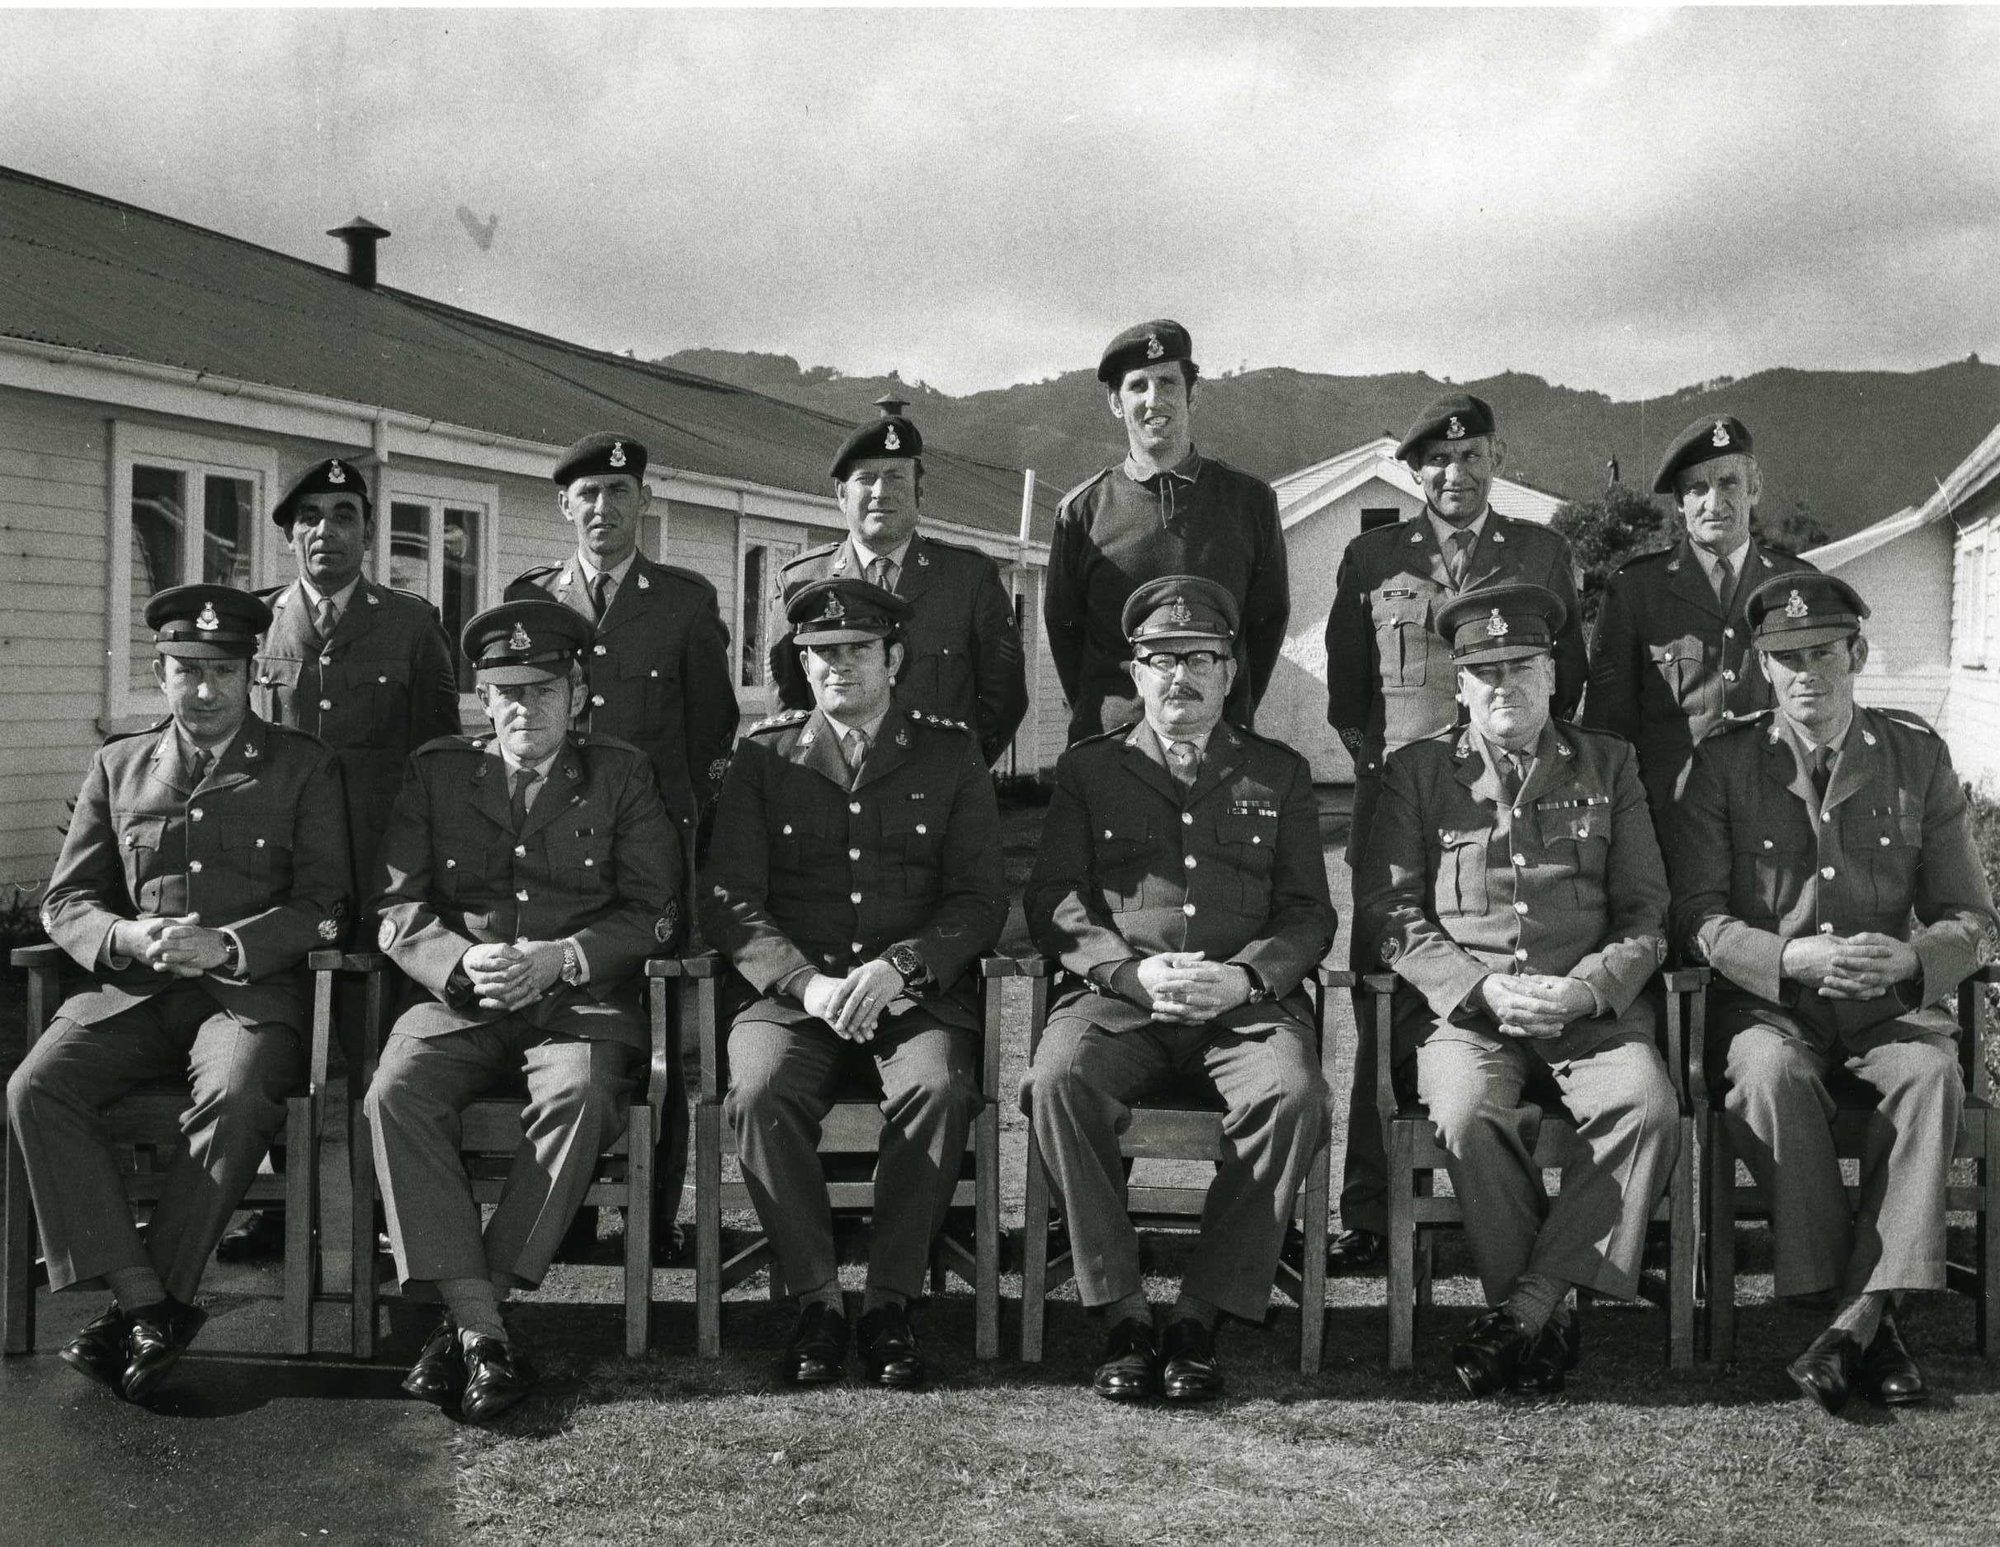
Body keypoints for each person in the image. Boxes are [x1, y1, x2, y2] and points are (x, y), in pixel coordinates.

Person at [7, 585, 350, 1402]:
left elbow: (327, 903)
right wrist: (125, 937)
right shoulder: (119, 765)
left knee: (233, 1095)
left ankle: (137, 1310)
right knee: (35, 1087)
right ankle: (148, 1303)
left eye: (222, 670)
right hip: (133, 994)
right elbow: (67, 899)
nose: (204, 689)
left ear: (251, 673)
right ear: (159, 673)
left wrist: (227, 943)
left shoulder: (303, 765)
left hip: (246, 996)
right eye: (186, 670)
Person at [1667, 574, 1999, 1413]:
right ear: (1762, 667)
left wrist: (1909, 957)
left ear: (1858, 653)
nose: (1806, 673)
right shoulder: (1724, 761)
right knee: (1768, 1074)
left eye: (1823, 652)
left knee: (1931, 1074)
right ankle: (1869, 1319)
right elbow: (1696, 916)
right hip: (1769, 1007)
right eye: (1787, 658)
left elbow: (1972, 918)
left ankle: (1851, 1320)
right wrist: (1789, 957)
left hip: (1885, 1006)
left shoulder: (1915, 755)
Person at [1356, 582, 1679, 1395]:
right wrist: (1480, 990)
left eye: (1523, 665)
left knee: (1647, 1104)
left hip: (1586, 1012)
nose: (1505, 684)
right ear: (1460, 684)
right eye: (1486, 670)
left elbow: (1646, 913)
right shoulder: (1417, 771)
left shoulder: (1610, 763)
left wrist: (1586, 990)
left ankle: (1525, 1310)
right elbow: (1391, 912)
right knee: (1466, 1109)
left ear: (1554, 672)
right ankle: (1543, 1312)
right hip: (1471, 1017)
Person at [366, 600, 683, 1424]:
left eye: (544, 689)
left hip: (577, 1000)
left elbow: (655, 909)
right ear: (482, 699)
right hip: (462, 998)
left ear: (577, 694)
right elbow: (395, 904)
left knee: (579, 1096)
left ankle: (474, 1318)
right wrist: (455, 961)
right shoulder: (438, 772)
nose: (525, 708)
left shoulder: (620, 773)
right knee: (394, 1090)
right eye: (507, 691)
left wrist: (562, 956)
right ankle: (484, 1331)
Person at [1023, 576, 1335, 1403]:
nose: (1180, 676)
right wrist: (1126, 970)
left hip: (1242, 1009)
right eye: (1162, 659)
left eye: (1200, 658)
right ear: (1135, 671)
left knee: (1293, 1093)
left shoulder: (1279, 772)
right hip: (1121, 1002)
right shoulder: (1092, 770)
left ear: (1230, 672)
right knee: (1056, 1079)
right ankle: (1123, 1311)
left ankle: (1199, 1315)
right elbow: (1055, 898)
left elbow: (1309, 912)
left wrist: (1245, 976)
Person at [701, 578, 1007, 1391]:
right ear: (802, 665)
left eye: (857, 649)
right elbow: (729, 897)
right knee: (758, 1091)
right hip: (794, 999)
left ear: (894, 657)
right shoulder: (764, 757)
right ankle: (817, 1301)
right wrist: (806, 984)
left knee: (937, 1088)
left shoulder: (949, 753)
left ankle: (888, 1302)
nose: (839, 665)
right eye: (822, 652)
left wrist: (900, 965)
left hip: (911, 996)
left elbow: (979, 897)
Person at [1321, 392, 1589, 1274]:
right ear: (1414, 471)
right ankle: (1371, 1205)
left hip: (1510, 809)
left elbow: (1570, 680)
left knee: (1520, 976)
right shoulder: (1372, 558)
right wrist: (1414, 777)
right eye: (1437, 459)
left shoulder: (1542, 553)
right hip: (1402, 809)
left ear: (1496, 458)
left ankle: (1518, 1196)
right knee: (1384, 995)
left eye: (1472, 455)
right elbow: (1351, 698)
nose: (1455, 473)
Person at [219, 453, 461, 1264]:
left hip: (380, 870)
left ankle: (384, 1208)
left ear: (368, 531)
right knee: (283, 1031)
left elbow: (437, 759)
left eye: (345, 515)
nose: (327, 530)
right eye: (310, 517)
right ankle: (290, 1207)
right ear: (289, 535)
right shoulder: (257, 624)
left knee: (375, 1039)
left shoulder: (412, 625)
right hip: (278, 873)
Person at [508, 431, 736, 1258]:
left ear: (645, 502)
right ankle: (565, 1211)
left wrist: (681, 839)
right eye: (587, 495)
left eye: (618, 492)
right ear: (563, 506)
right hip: (552, 847)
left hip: (651, 848)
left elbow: (711, 730)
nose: (603, 508)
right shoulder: (531, 598)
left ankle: (654, 1215)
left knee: (662, 1024)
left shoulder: (683, 601)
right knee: (562, 1019)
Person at [1044, 320, 1289, 745]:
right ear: (1115, 402)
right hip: (1113, 750)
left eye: (1167, 382)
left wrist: (1224, 711)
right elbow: (1066, 638)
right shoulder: (1082, 513)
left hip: (1219, 749)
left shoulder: (1250, 503)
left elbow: (1266, 627)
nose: (1154, 400)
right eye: (1138, 386)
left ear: (1193, 394)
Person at [769, 399, 1029, 767]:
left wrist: (957, 774)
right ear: (841, 494)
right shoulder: (801, 583)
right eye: (866, 478)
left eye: (895, 477)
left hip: (936, 789)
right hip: (831, 789)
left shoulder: (970, 579)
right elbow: (786, 704)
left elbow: (1006, 700)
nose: (881, 492)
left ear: (920, 491)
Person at [1583, 415, 1819, 811]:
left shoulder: (1798, 585)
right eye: (1697, 488)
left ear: (1755, 487)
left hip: (1775, 816)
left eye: (1728, 483)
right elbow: (1606, 738)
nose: (1714, 503)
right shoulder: (1634, 592)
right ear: (1679, 502)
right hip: (1671, 823)